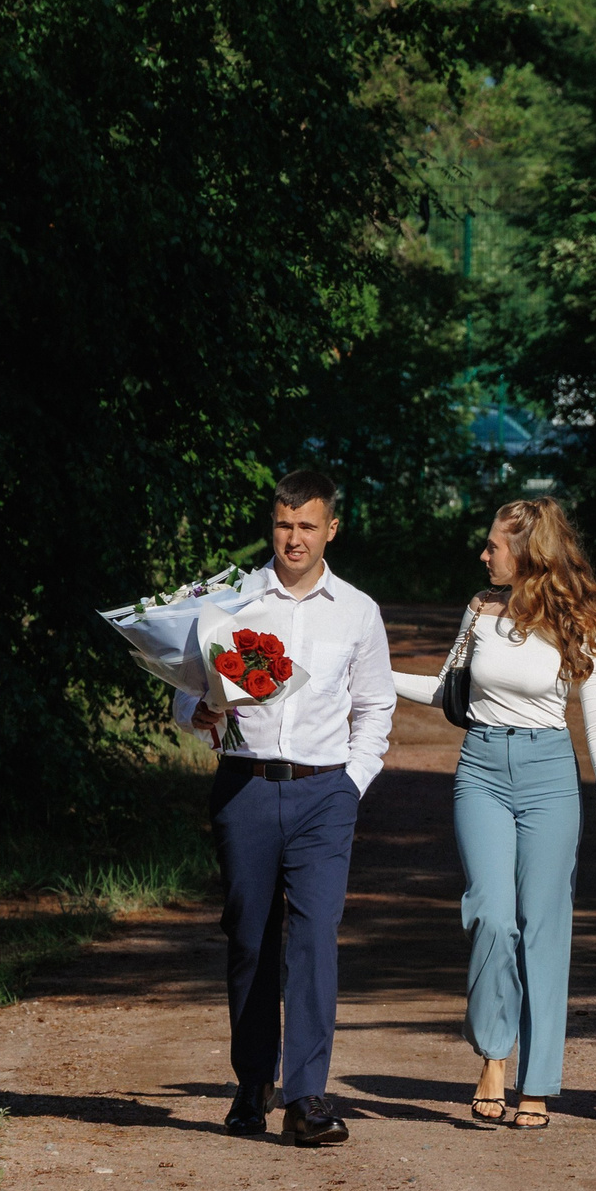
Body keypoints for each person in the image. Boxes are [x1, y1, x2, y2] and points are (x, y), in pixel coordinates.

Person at [392, 499, 596, 1131]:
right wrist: (375, 675)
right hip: (481, 771)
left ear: (527, 552)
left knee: (544, 923)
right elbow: (448, 690)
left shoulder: (583, 622)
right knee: (493, 914)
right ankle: (494, 1053)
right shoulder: (479, 611)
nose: (484, 554)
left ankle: (539, 1079)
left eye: (493, 545)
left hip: (551, 772)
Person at [184, 470, 395, 1148]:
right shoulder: (232, 603)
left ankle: (307, 1096)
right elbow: (187, 703)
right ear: (270, 524)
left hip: (323, 793)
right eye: (283, 524)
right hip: (244, 788)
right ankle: (252, 1086)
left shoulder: (357, 610)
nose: (293, 537)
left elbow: (375, 704)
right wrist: (208, 710)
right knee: (249, 940)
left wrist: (350, 782)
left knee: (312, 941)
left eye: (307, 525)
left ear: (332, 528)